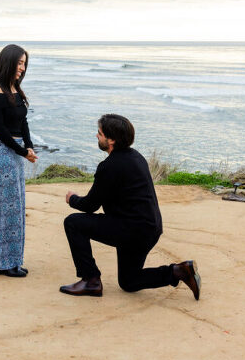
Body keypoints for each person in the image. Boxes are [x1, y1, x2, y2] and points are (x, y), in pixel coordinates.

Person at [60, 114, 201, 298]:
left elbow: (90, 205)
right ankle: (179, 271)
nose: (97, 136)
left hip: (132, 230)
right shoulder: (136, 157)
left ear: (111, 140)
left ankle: (90, 280)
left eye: (100, 133)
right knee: (129, 281)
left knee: (73, 223)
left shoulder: (109, 166)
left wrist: (72, 199)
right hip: (148, 228)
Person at [0, 44, 38, 277]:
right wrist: (23, 152)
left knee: (14, 208)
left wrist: (29, 145)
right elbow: (1, 130)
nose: (22, 68)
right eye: (19, 63)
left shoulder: (14, 87)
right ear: (8, 61)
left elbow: (22, 122)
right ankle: (1, 263)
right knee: (4, 209)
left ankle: (10, 260)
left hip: (13, 152)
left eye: (25, 63)